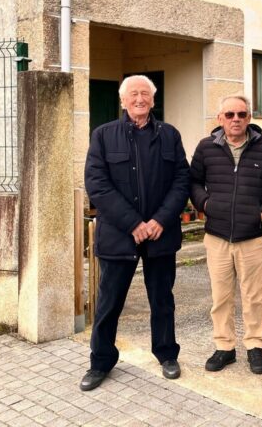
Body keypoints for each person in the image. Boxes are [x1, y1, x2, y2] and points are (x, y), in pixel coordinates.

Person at [81, 75, 190, 392]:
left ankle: (167, 354)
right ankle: (100, 362)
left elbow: (181, 180)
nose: (139, 99)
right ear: (123, 100)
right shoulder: (103, 135)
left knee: (162, 300)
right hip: (119, 235)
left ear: (153, 100)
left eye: (145, 93)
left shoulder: (170, 135)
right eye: (133, 94)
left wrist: (160, 220)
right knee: (109, 303)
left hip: (160, 235)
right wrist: (133, 223)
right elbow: (97, 185)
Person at [189, 95, 262, 375]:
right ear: (220, 119)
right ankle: (225, 347)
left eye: (241, 114)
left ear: (249, 117)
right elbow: (193, 182)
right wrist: (205, 204)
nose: (236, 119)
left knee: (253, 297)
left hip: (251, 237)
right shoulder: (206, 148)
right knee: (221, 297)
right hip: (217, 236)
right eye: (229, 115)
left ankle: (255, 347)